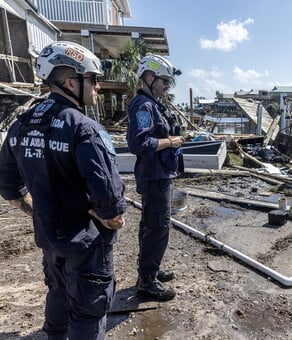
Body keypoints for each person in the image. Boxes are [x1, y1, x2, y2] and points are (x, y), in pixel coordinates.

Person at [0, 41, 126, 339]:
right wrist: (114, 217)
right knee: (87, 312)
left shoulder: (22, 124)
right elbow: (109, 197)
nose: (98, 87)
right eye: (93, 79)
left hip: (49, 238)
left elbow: (7, 183)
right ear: (71, 82)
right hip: (85, 243)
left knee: (57, 295)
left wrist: (35, 209)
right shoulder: (83, 127)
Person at [126, 54, 184, 301]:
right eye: (164, 81)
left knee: (153, 226)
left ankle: (151, 270)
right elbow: (138, 143)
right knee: (157, 228)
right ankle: (147, 281)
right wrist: (171, 141)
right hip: (154, 176)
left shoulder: (152, 104)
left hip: (159, 175)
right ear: (149, 77)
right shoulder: (144, 106)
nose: (167, 86)